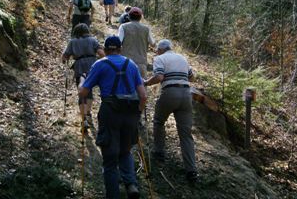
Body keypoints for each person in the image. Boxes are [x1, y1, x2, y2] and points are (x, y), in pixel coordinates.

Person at [79, 36, 147, 199]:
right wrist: (138, 113)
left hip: (110, 112)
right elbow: (143, 96)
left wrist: (82, 79)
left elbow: (83, 93)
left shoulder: (100, 64)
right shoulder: (131, 64)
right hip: (131, 112)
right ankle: (131, 184)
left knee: (110, 158)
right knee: (125, 151)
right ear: (120, 48)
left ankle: (113, 195)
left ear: (105, 49)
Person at [144, 39, 199, 184]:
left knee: (158, 121)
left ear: (161, 50)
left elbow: (159, 77)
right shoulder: (182, 58)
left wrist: (146, 83)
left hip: (170, 92)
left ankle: (159, 152)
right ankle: (191, 170)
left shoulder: (160, 59)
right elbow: (192, 77)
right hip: (186, 95)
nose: (156, 52)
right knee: (186, 134)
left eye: (156, 50)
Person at [62, 23, 105, 130]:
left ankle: (84, 118)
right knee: (89, 90)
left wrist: (65, 60)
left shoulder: (72, 42)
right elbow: (101, 53)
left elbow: (65, 56)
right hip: (92, 66)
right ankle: (88, 113)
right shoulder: (93, 40)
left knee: (81, 91)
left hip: (79, 66)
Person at [118, 7, 155, 78]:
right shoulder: (146, 29)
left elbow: (118, 42)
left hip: (126, 62)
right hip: (141, 63)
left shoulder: (123, 27)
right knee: (141, 86)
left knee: (125, 86)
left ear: (129, 16)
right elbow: (153, 44)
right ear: (141, 17)